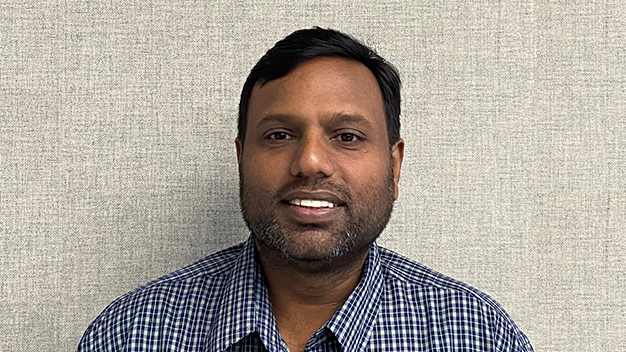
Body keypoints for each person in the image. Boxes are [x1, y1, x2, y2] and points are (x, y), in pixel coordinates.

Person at [78, 27, 534, 352]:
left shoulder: (476, 336)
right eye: (279, 135)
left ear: (393, 166)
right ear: (241, 158)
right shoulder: (129, 335)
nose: (310, 162)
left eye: (348, 136)